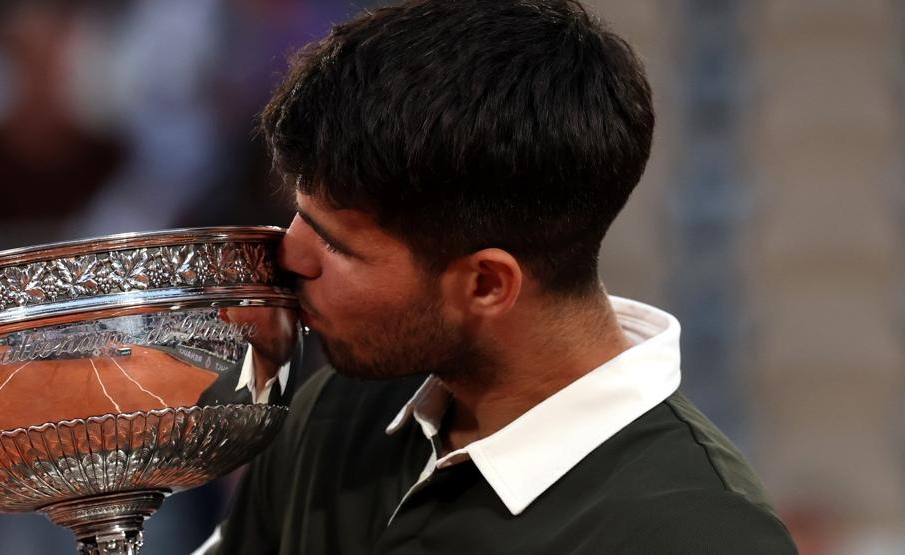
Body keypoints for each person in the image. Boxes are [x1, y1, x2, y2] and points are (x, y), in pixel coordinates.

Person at [198, 0, 798, 553]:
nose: (289, 254)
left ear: (487, 283)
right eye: (298, 214)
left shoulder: (702, 536)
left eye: (337, 243)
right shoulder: (334, 408)